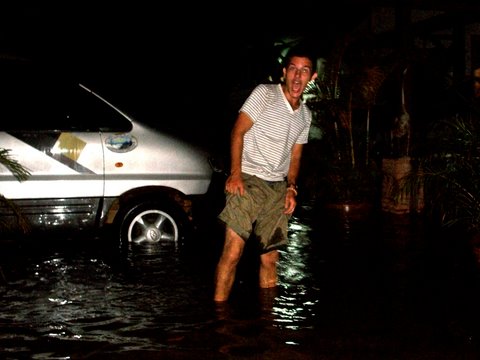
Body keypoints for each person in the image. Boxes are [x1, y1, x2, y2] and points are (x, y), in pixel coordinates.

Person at [213, 44, 318, 302]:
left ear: (312, 77)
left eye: (304, 71)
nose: (297, 76)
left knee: (270, 259)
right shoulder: (265, 94)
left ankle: (269, 328)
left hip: (276, 188)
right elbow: (238, 131)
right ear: (284, 72)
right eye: (293, 68)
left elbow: (296, 155)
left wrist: (291, 187)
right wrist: (235, 173)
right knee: (233, 252)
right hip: (247, 179)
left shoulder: (305, 115)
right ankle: (219, 321)